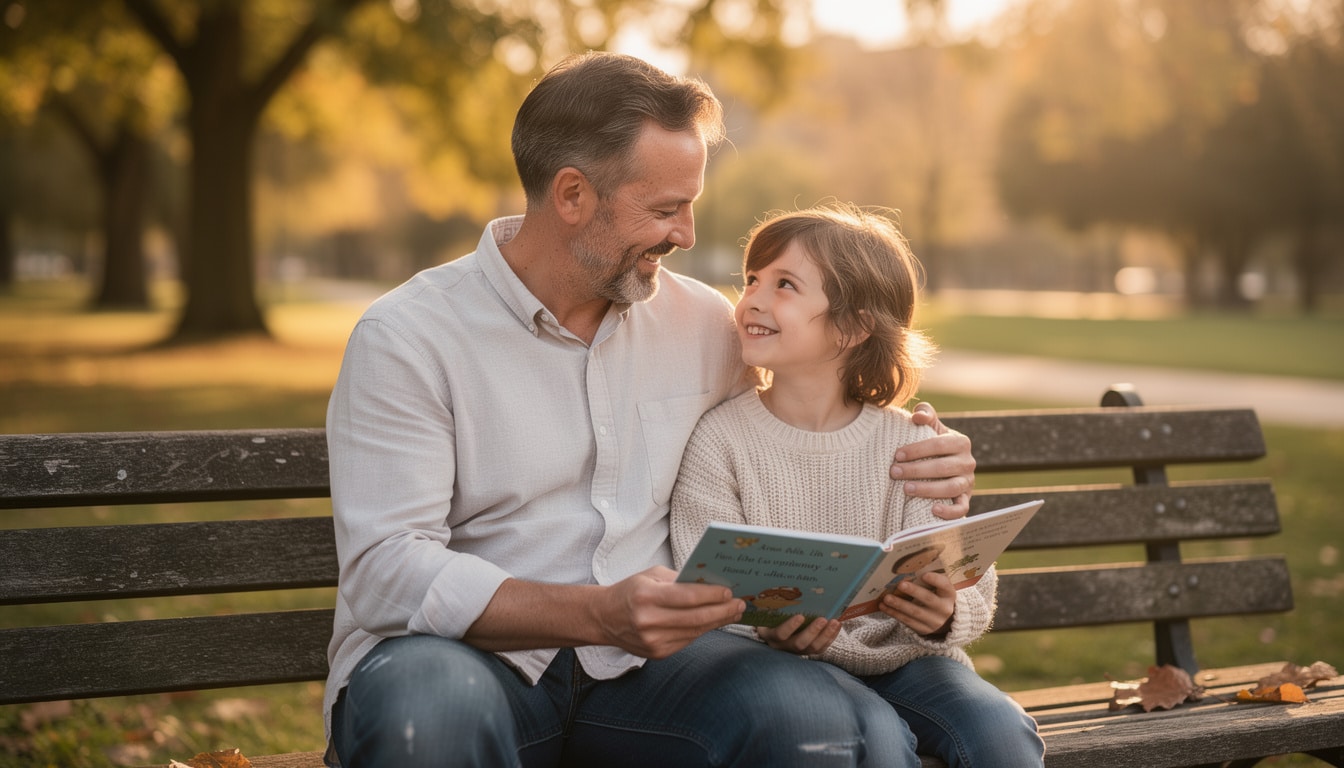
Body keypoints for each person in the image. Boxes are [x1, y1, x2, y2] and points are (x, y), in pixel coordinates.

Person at [323, 52, 977, 768]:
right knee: (426, 719)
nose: (687, 234)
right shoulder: (409, 337)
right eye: (665, 209)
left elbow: (795, 431)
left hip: (653, 669)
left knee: (818, 724)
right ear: (572, 194)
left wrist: (922, 451)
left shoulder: (704, 324)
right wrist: (595, 613)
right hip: (461, 658)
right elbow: (386, 568)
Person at [669, 203, 1044, 768]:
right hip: (784, 670)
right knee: (878, 741)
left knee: (1000, 729)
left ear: (853, 327)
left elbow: (964, 572)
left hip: (911, 662)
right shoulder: (719, 440)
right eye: (752, 280)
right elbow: (708, 584)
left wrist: (943, 612)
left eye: (785, 284)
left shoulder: (912, 444)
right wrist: (770, 632)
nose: (753, 300)